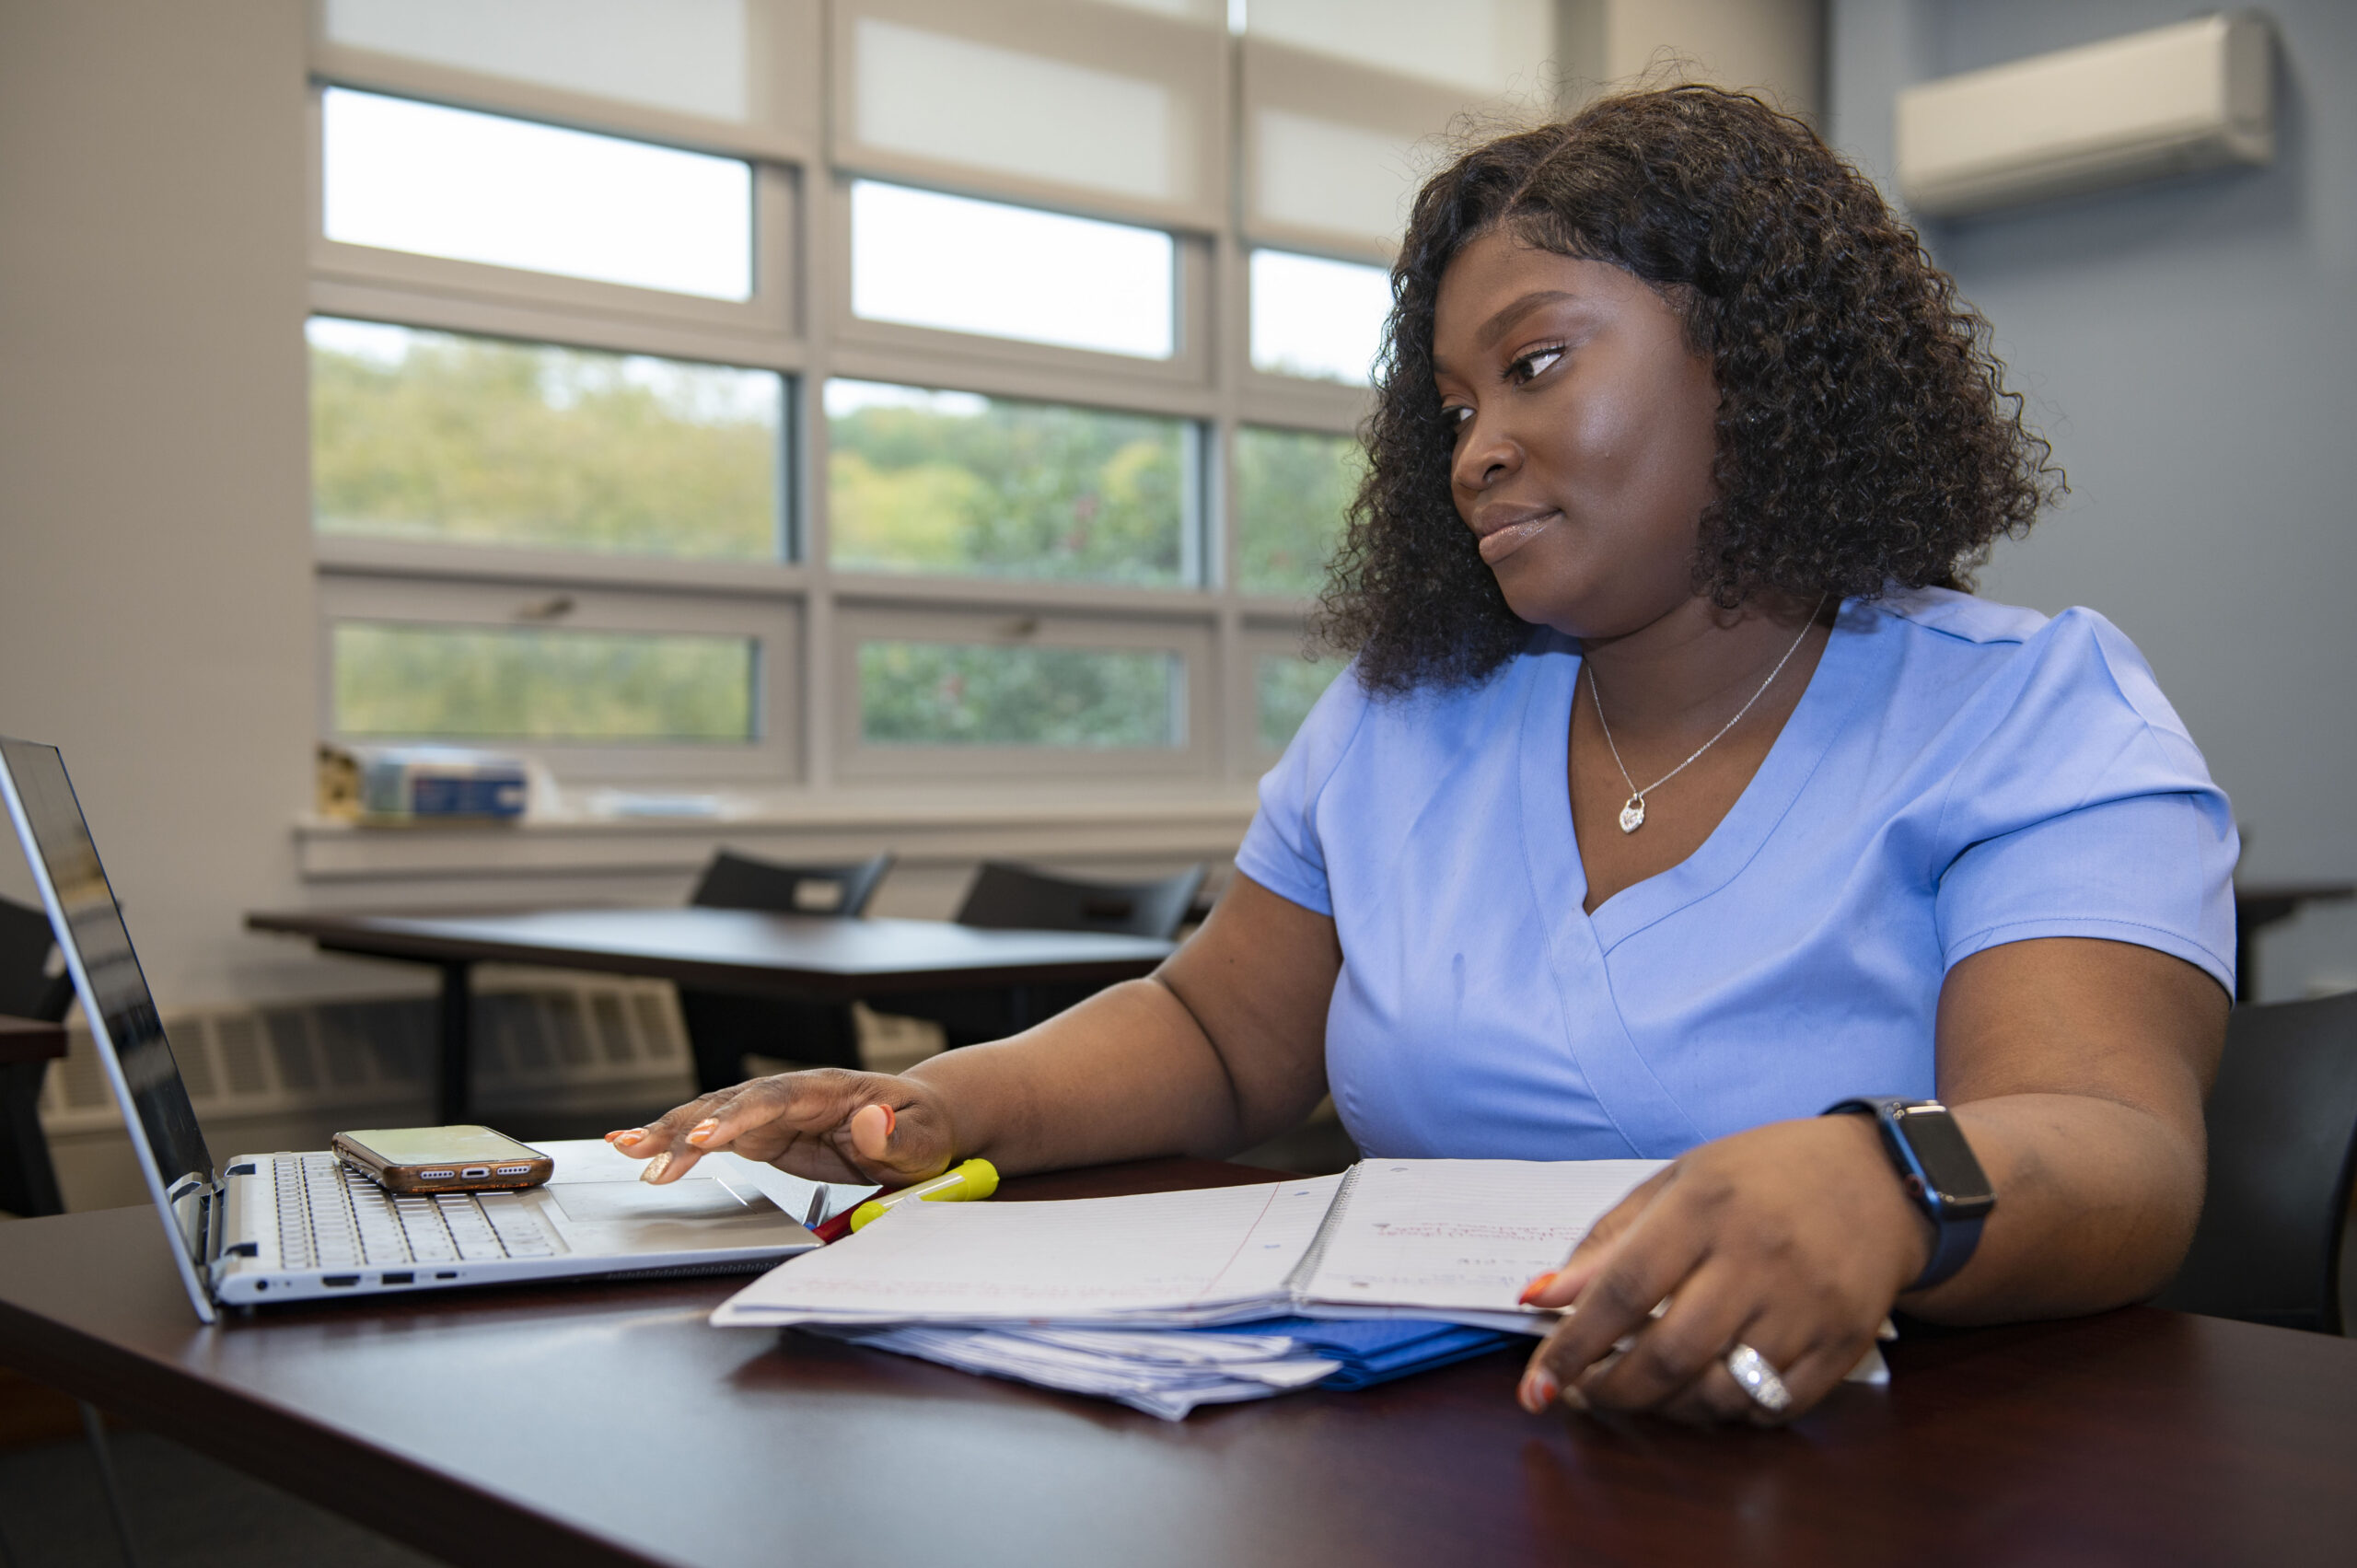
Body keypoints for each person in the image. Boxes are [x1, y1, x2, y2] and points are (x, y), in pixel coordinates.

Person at [610, 87, 2235, 1424]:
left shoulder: (2031, 711)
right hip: (1418, 1435)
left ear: (1758, 362)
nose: (1480, 450)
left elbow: (2117, 1144)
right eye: (1451, 405)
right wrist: (945, 1105)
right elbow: (1219, 1031)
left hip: (1871, 1461)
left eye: (1536, 366)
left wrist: (1885, 1183)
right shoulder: (1410, 718)